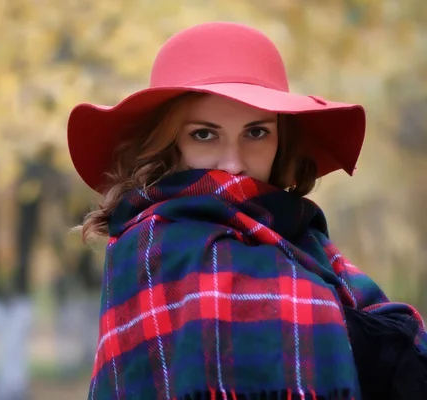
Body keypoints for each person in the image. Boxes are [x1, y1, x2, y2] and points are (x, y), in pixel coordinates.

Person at [66, 22, 427, 400]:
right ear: (169, 144)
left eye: (256, 133)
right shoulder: (151, 246)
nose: (234, 163)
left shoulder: (309, 242)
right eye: (204, 134)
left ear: (281, 138)